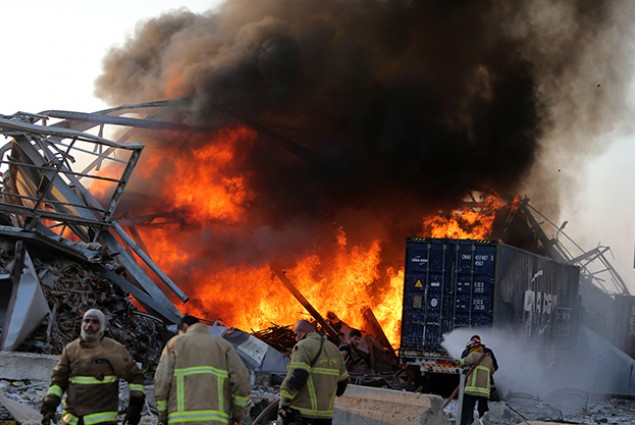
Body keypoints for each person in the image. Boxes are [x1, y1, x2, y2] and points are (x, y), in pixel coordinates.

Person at [40, 308, 146, 425]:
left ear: (101, 327)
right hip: (72, 420)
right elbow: (58, 381)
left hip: (102, 421)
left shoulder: (113, 349)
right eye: (87, 321)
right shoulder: (71, 350)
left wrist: (135, 405)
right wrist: (49, 405)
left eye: (95, 322)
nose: (89, 325)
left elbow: (135, 376)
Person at [154, 315, 251, 425]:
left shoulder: (174, 344)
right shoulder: (222, 345)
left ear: (185, 327)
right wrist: (237, 415)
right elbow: (242, 380)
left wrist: (162, 416)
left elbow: (161, 382)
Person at [279, 320, 349, 425]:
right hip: (325, 415)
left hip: (302, 413)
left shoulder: (303, 346)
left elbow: (298, 376)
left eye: (295, 334)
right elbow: (343, 382)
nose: (295, 338)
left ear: (301, 332)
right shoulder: (334, 349)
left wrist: (284, 402)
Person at [455, 336, 495, 425]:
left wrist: (456, 362)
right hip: (484, 391)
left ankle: (465, 422)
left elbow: (465, 361)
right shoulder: (488, 358)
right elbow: (492, 371)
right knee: (483, 410)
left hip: (472, 389)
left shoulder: (473, 355)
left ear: (473, 348)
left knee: (466, 408)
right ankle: (482, 422)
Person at [460, 335, 499, 412]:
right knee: (483, 408)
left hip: (470, 385)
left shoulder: (467, 352)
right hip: (485, 386)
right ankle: (482, 421)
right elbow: (495, 367)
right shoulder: (488, 352)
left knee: (468, 407)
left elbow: (463, 365)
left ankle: (468, 421)